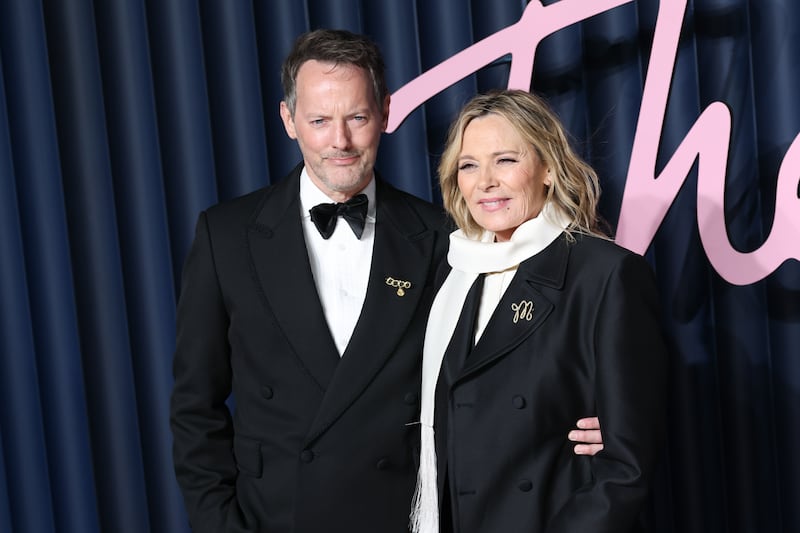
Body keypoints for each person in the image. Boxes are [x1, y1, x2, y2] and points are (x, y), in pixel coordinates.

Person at [170, 29, 603, 533]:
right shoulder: (226, 236)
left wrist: (585, 419)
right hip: (275, 518)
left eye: (356, 117)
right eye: (319, 120)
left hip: (401, 516)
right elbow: (194, 409)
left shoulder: (445, 237)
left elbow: (505, 372)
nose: (340, 141)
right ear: (288, 120)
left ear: (385, 113)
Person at [411, 89, 668, 533]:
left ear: (548, 168)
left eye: (505, 160)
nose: (485, 181)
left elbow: (625, 468)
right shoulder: (452, 274)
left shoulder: (605, 274)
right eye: (469, 165)